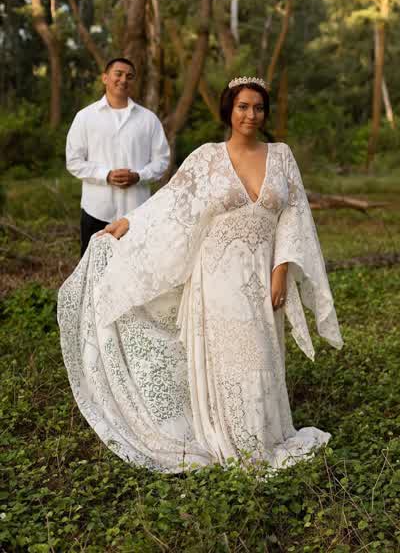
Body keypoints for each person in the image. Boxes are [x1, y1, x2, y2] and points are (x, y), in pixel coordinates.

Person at [57, 76, 343, 473]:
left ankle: (263, 434)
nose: (251, 115)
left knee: (262, 352)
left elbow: (294, 217)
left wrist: (281, 270)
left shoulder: (281, 156)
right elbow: (171, 202)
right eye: (243, 107)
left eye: (258, 108)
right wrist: (127, 222)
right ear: (229, 110)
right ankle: (231, 437)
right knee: (231, 354)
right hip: (217, 274)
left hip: (262, 271)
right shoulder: (207, 157)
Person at [65, 57, 170, 255]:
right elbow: (74, 161)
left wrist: (139, 176)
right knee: (94, 268)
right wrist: (106, 175)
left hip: (137, 212)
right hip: (96, 210)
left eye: (129, 76)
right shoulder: (85, 117)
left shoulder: (148, 119)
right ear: (105, 78)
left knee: (137, 267)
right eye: (118, 74)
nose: (123, 80)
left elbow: (162, 160)